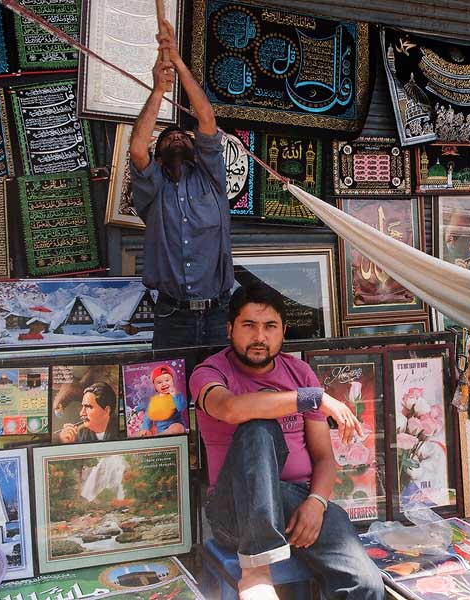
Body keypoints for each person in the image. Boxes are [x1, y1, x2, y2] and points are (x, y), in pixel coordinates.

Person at [190, 282, 383, 600]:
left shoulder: (299, 372)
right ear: (230, 329)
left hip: (297, 504)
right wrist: (314, 398)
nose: (259, 337)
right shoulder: (210, 372)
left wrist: (316, 504)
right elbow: (230, 408)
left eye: (270, 327)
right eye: (249, 325)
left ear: (283, 331)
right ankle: (256, 570)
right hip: (234, 509)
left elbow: (323, 457)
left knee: (365, 584)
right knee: (258, 426)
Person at [129, 19, 233, 349]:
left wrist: (177, 61)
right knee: (170, 398)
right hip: (171, 316)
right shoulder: (153, 191)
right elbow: (136, 147)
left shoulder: (211, 180)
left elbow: (206, 119)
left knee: (219, 396)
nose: (176, 135)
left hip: (220, 314)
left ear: (194, 151)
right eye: (167, 137)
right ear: (158, 158)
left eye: (181, 135)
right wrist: (159, 89)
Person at [140, 364, 187, 436]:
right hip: (160, 429)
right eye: (159, 382)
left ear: (172, 382)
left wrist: (175, 395)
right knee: (147, 431)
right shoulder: (155, 400)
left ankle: (158, 436)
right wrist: (145, 428)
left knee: (178, 428)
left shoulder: (176, 395)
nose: (164, 384)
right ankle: (160, 435)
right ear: (155, 387)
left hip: (174, 425)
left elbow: (182, 407)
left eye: (167, 380)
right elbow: (148, 415)